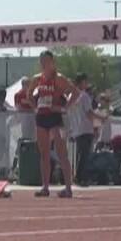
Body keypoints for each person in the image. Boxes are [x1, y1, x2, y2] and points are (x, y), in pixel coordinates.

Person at [24, 51, 80, 197]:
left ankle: (68, 188)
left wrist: (64, 108)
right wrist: (35, 107)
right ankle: (45, 187)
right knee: (44, 154)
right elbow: (28, 94)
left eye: (46, 61)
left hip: (56, 118)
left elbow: (76, 93)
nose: (44, 64)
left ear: (52, 62)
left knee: (62, 153)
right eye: (41, 61)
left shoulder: (59, 79)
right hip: (42, 117)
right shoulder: (37, 79)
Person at [67, 74, 98, 186]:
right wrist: (99, 120)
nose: (87, 84)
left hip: (76, 129)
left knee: (80, 154)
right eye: (85, 82)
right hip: (85, 128)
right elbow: (89, 113)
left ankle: (79, 176)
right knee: (84, 155)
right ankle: (80, 177)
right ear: (81, 82)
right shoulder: (84, 96)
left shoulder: (71, 96)